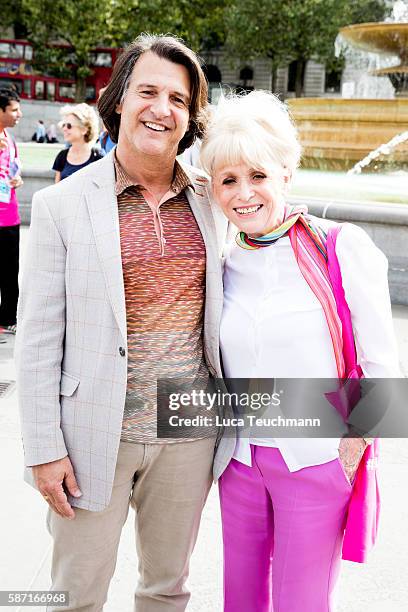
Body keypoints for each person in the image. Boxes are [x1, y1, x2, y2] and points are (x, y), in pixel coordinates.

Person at [15, 34, 227, 612]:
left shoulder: (214, 200)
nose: (162, 109)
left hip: (188, 430)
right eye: (148, 91)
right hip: (89, 436)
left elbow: (270, 223)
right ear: (118, 100)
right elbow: (36, 338)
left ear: (190, 116)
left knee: (166, 588)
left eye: (179, 99)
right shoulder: (64, 203)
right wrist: (42, 447)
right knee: (74, 593)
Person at [200, 91, 401, 612]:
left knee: (301, 602)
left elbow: (383, 368)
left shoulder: (342, 245)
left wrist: (349, 451)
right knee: (239, 601)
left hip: (315, 462)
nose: (244, 193)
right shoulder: (223, 262)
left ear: (286, 171)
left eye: (258, 175)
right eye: (228, 180)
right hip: (240, 462)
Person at [0, 86, 23, 341]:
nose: (19, 114)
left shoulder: (11, 139)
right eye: (14, 110)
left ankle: (8, 318)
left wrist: (16, 180)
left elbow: (11, 171)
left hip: (10, 216)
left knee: (9, 270)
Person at [52, 103, 102, 182]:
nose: (64, 129)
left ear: (84, 130)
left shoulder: (98, 157)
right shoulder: (62, 156)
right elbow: (56, 188)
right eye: (63, 125)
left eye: (69, 126)